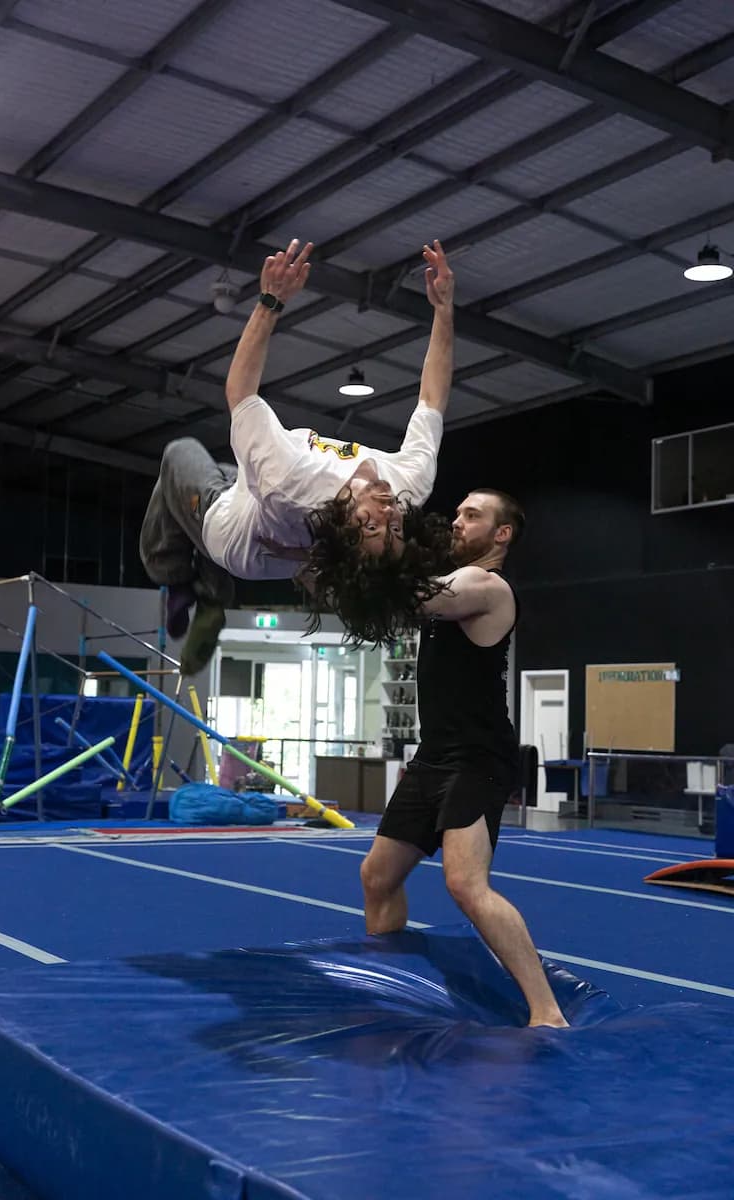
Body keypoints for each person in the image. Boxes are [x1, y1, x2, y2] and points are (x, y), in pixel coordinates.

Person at [139, 237, 455, 674]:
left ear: (344, 524)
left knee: (180, 457)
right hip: (267, 511)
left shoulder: (291, 480)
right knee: (240, 468)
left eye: (370, 523)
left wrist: (270, 300)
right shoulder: (410, 486)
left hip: (233, 538)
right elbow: (432, 401)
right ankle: (209, 585)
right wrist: (443, 312)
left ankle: (177, 579)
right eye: (397, 523)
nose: (386, 508)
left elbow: (240, 392)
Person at [359, 489, 569, 1028]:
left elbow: (420, 595)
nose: (457, 521)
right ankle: (397, 979)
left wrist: (386, 535)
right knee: (378, 876)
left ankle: (546, 1011)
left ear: (501, 535)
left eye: (471, 516)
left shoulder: (486, 586)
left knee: (465, 884)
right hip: (434, 756)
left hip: (479, 758)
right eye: (457, 512)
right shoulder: (453, 582)